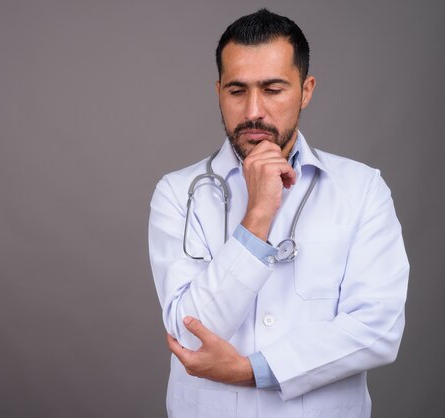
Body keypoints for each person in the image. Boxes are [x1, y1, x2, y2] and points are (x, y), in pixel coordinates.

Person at [148, 8, 409, 418]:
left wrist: (253, 371)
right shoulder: (178, 193)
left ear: (306, 90)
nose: (254, 111)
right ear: (218, 91)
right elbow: (190, 336)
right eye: (237, 91)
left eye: (273, 90)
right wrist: (258, 214)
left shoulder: (362, 189)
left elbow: (378, 330)